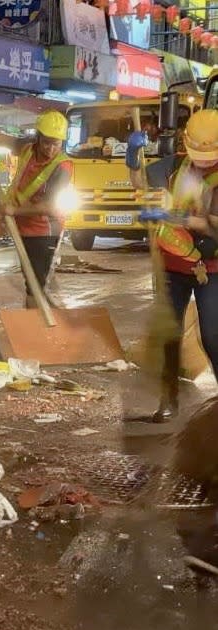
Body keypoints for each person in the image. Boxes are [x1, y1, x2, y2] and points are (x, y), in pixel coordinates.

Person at [128, 109, 218, 422]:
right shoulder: (174, 167)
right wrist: (132, 157)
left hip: (211, 267)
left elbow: (212, 226)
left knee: (213, 334)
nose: (203, 161)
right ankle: (168, 399)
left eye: (209, 155)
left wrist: (171, 217)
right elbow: (141, 183)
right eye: (198, 154)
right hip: (172, 265)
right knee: (169, 333)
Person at [0, 111, 72, 306]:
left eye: (57, 144)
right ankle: (44, 314)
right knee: (33, 280)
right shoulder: (28, 148)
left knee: (34, 284)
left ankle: (37, 323)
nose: (51, 149)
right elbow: (10, 141)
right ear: (38, 138)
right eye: (47, 143)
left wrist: (14, 211)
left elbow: (50, 207)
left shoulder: (62, 167)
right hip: (22, 225)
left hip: (44, 229)